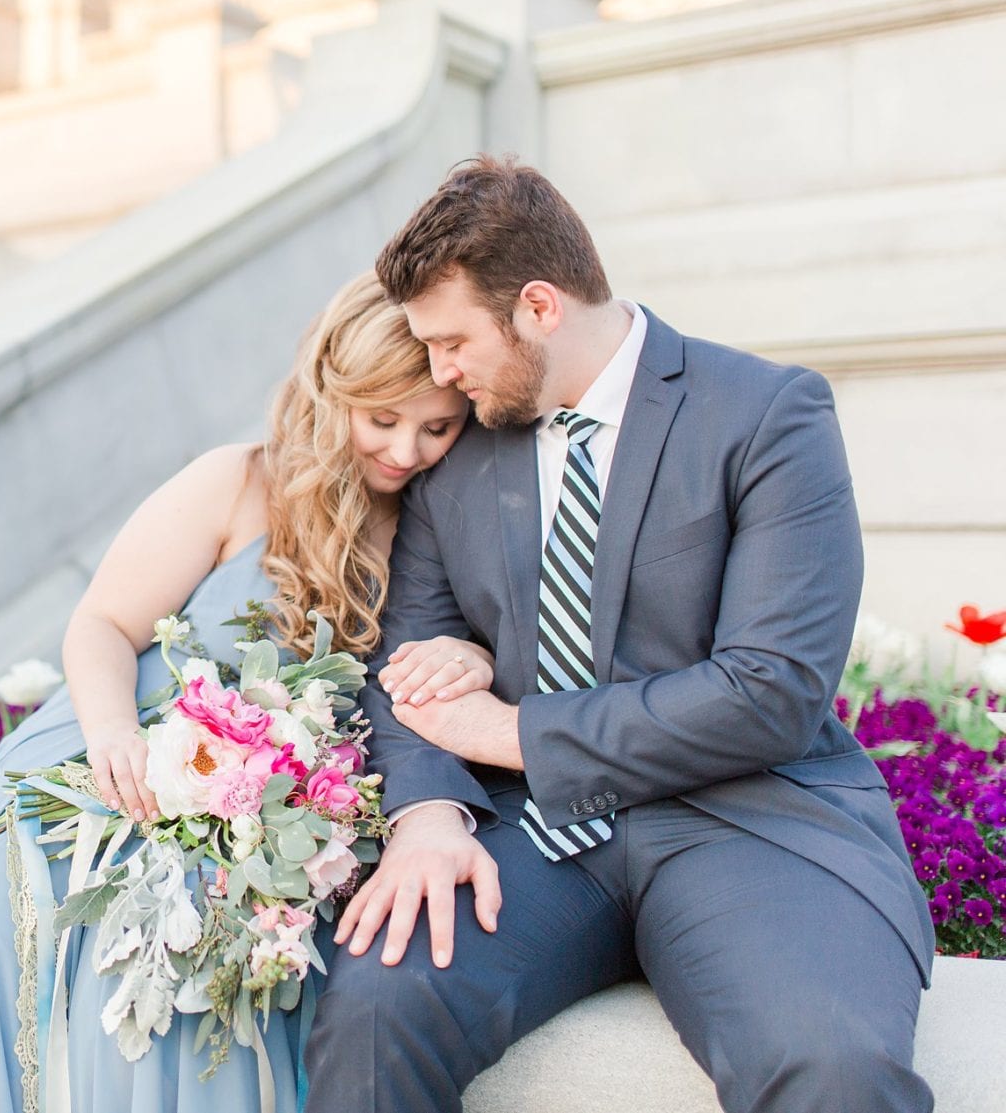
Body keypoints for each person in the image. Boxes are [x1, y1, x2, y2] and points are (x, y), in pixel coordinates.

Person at [304, 157, 935, 1113]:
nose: (438, 374)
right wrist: (427, 816)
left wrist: (513, 733)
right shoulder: (458, 455)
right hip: (526, 836)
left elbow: (771, 690)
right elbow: (409, 661)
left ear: (540, 308)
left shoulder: (768, 415)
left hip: (743, 819)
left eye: (452, 343)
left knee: (833, 1065)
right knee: (374, 1007)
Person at [0, 272, 479, 1113]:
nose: (404, 451)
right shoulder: (239, 482)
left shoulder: (446, 523)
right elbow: (101, 622)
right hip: (114, 753)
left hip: (273, 817)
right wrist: (113, 737)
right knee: (0, 940)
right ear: (333, 393)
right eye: (382, 420)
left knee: (196, 970)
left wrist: (469, 656)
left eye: (436, 427)